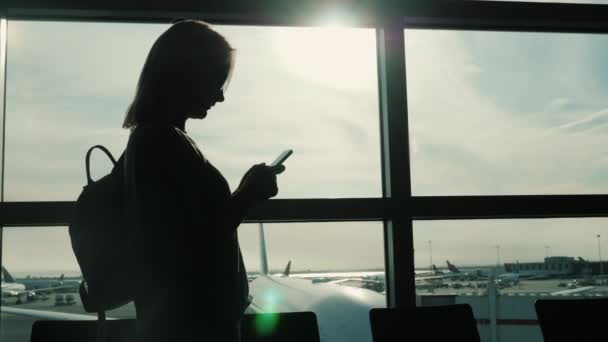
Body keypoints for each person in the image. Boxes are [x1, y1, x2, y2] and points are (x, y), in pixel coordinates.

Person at [122, 20, 284, 342]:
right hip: (192, 324)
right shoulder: (160, 142)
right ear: (187, 77)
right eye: (216, 82)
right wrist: (246, 195)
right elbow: (188, 241)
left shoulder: (157, 140)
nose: (220, 97)